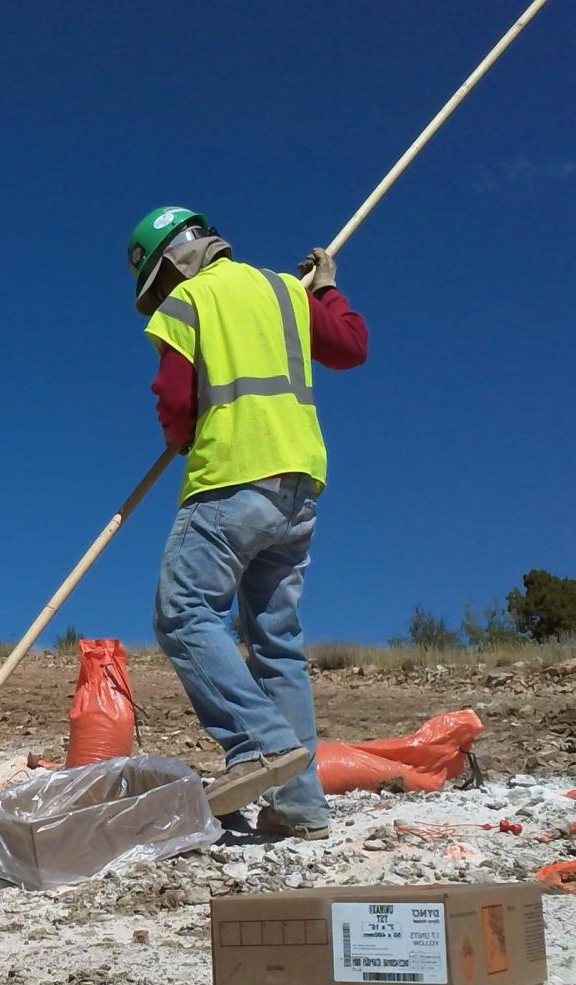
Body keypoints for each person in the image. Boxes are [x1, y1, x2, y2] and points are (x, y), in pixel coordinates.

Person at [128, 206, 369, 839]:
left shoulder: (187, 301)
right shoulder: (285, 290)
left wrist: (180, 435)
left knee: (182, 613)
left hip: (232, 478)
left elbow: (176, 400)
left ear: (165, 266)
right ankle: (299, 807)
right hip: (299, 486)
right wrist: (325, 289)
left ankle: (259, 745)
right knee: (275, 643)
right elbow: (350, 346)